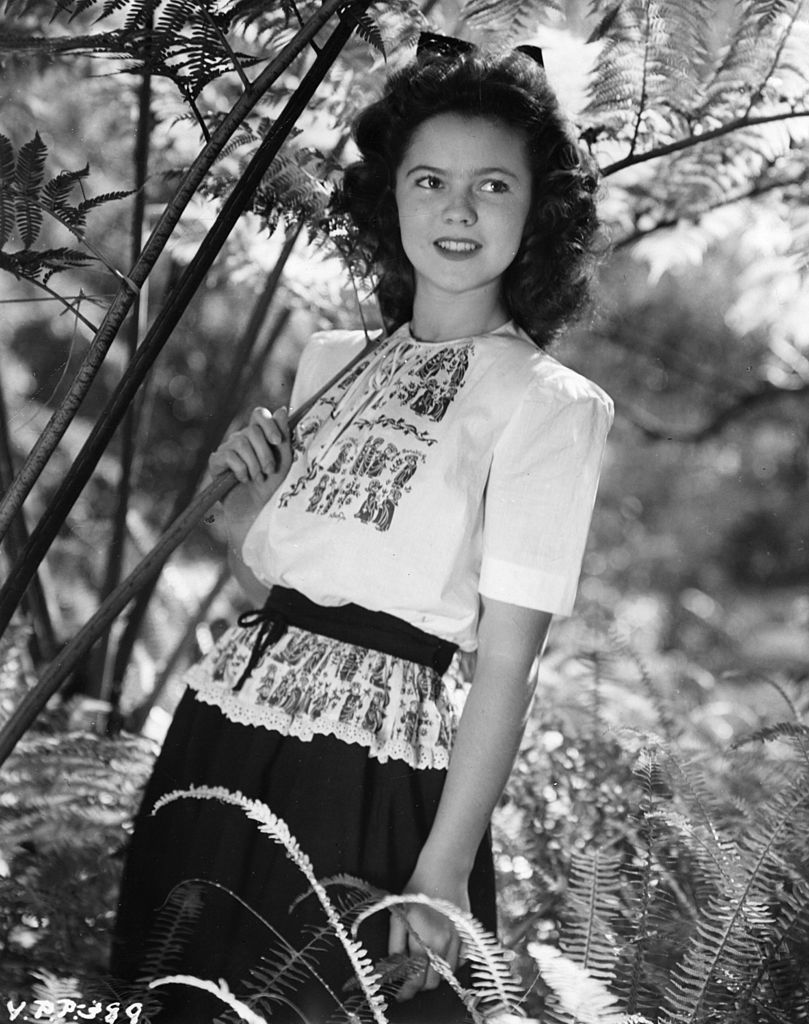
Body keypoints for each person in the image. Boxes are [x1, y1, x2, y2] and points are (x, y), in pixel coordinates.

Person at [111, 34, 614, 1024]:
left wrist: (440, 868)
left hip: (368, 774)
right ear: (391, 195)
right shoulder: (331, 362)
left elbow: (506, 669)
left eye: (493, 186)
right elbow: (291, 590)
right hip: (224, 726)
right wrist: (243, 502)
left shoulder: (548, 403)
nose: (456, 209)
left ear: (539, 209)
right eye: (428, 179)